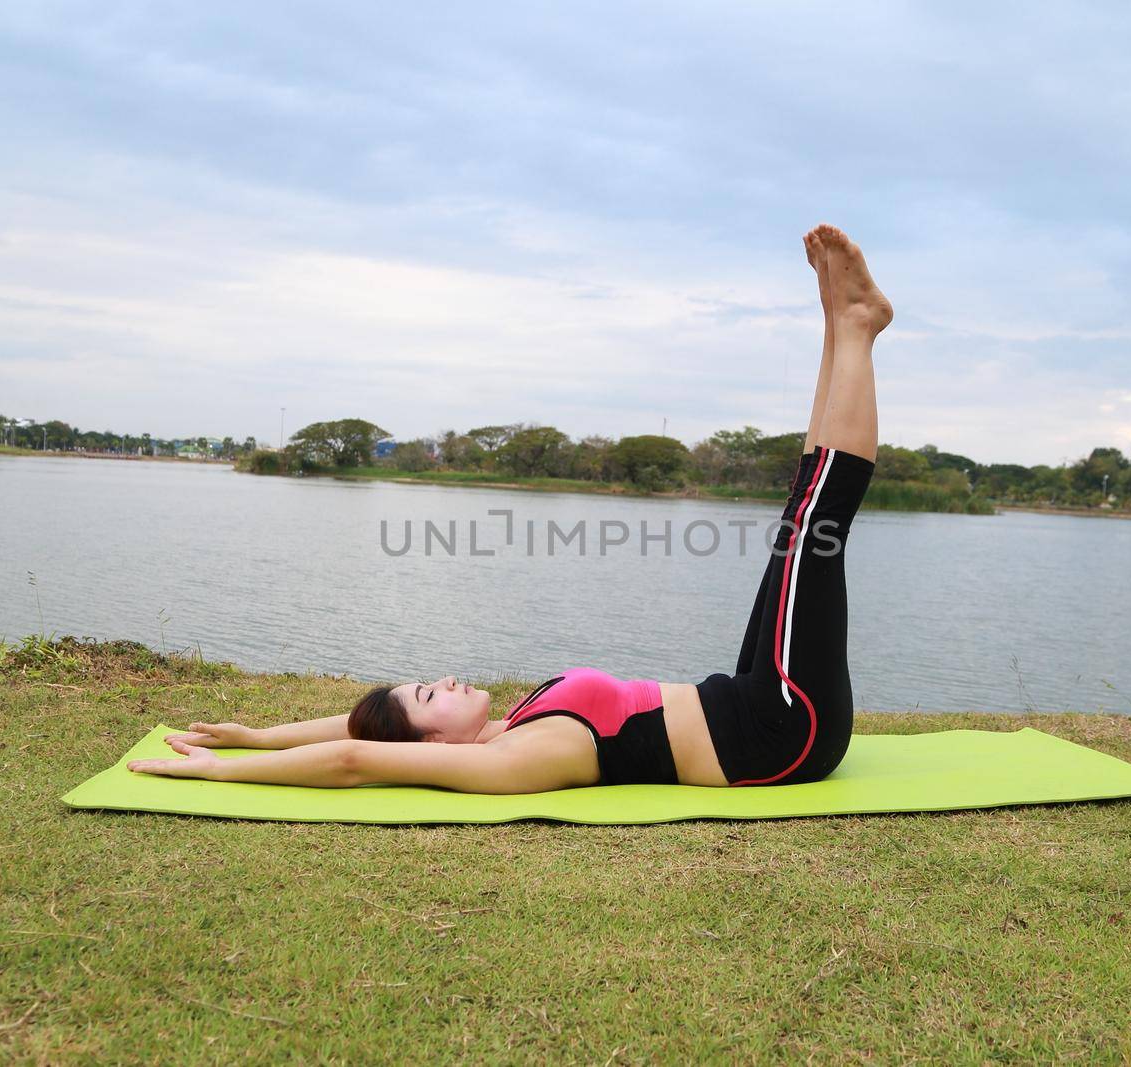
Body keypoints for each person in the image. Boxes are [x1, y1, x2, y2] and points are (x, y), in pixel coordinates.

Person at [128, 224, 891, 792]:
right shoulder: (516, 756)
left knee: (803, 512)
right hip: (784, 731)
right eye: (432, 694)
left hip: (754, 702)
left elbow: (356, 728)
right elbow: (359, 756)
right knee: (818, 525)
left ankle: (838, 322)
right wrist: (226, 773)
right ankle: (856, 324)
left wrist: (258, 733)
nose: (446, 680)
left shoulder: (502, 723)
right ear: (433, 745)